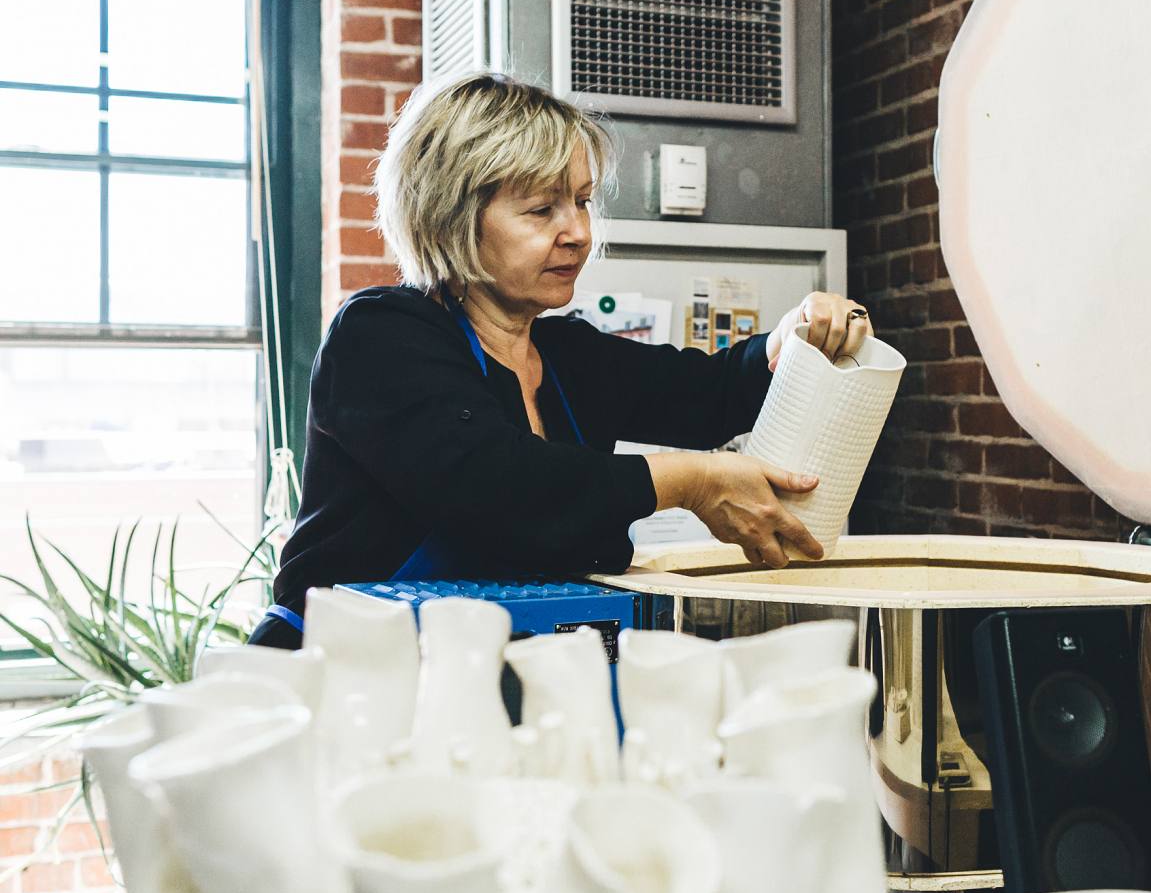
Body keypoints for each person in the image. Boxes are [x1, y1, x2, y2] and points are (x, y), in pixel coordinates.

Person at [248, 72, 872, 649]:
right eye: (542, 210)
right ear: (454, 220)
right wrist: (694, 481)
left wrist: (787, 342)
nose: (577, 231)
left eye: (582, 201)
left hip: (486, 672)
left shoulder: (566, 353)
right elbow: (502, 486)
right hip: (344, 678)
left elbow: (708, 392)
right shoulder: (380, 338)